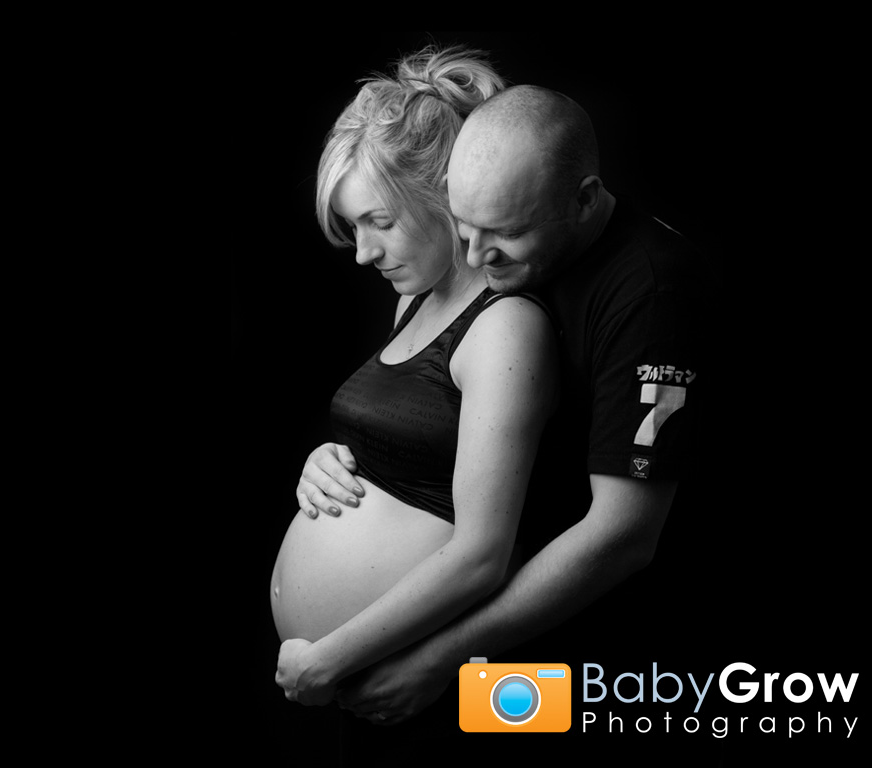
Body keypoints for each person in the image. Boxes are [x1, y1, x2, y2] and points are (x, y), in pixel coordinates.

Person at [296, 83, 716, 726]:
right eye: (466, 229)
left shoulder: (651, 297)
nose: (474, 257)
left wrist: (441, 658)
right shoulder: (493, 256)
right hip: (496, 644)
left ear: (581, 201)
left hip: (605, 664)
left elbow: (625, 535)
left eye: (506, 234)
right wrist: (341, 461)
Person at [270, 50, 558, 724]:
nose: (365, 253)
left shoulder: (505, 325)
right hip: (362, 683)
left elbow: (484, 554)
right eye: (354, 227)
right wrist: (330, 463)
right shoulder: (416, 301)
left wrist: (331, 657)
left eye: (381, 221)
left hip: (445, 687)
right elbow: (413, 444)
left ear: (442, 194)